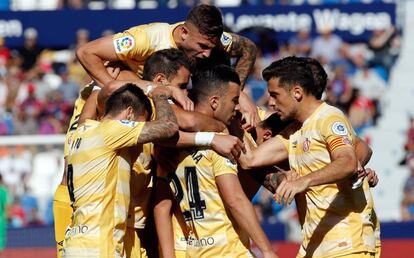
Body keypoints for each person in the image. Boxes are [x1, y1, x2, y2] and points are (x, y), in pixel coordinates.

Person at [237, 57, 377, 258]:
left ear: (297, 92)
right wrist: (232, 118)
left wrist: (303, 181)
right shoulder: (294, 132)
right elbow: (250, 160)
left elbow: (347, 161)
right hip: (314, 246)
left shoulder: (329, 117)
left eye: (275, 95)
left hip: (346, 243)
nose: (270, 102)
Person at [154, 65, 277, 258]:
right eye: (234, 100)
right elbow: (235, 200)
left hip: (194, 250)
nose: (237, 108)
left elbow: (163, 205)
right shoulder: (221, 143)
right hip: (227, 249)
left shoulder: (166, 148)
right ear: (214, 101)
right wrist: (268, 251)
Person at [76, 4, 260, 128]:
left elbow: (249, 49)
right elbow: (86, 52)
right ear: (184, 32)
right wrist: (113, 89)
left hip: (150, 102)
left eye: (211, 48)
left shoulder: (212, 40)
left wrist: (236, 94)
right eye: (202, 47)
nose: (207, 55)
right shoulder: (146, 39)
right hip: (105, 106)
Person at [62, 84, 178, 258]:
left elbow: (87, 112)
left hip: (77, 242)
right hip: (100, 246)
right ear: (129, 113)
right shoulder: (111, 131)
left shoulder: (81, 131)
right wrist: (160, 95)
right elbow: (168, 127)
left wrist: (98, 85)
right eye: (141, 124)